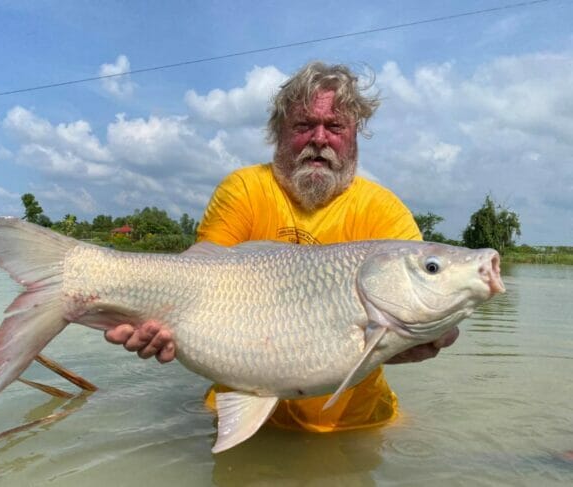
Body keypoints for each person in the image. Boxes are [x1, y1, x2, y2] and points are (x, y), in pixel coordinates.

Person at [105, 61, 459, 432]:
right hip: (240, 418)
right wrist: (155, 314)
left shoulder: (383, 210)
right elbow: (197, 273)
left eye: (335, 126)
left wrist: (437, 330)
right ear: (278, 132)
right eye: (304, 125)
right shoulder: (244, 189)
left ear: (355, 135)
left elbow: (424, 308)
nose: (320, 139)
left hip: (354, 427)